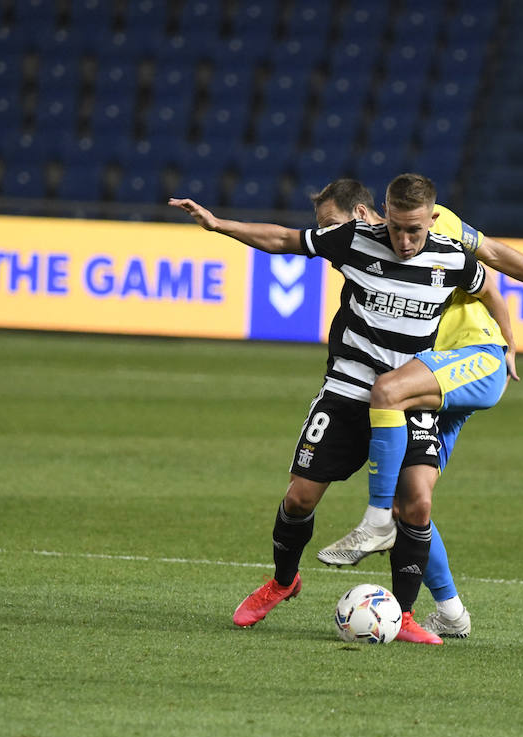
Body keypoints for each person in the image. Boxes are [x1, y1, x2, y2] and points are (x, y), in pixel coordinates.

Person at [169, 174, 488, 645]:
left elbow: (490, 289)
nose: (404, 241)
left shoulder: (454, 257)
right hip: (347, 391)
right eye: (397, 228)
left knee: (417, 503)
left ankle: (404, 614)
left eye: (414, 231)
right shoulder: (354, 239)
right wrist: (219, 225)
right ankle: (283, 582)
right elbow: (283, 239)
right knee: (299, 498)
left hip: (407, 397)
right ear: (383, 213)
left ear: (432, 218)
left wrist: (508, 345)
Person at [309, 179, 523, 638]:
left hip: (466, 361)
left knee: (388, 396)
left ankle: (374, 524)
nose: (328, 236)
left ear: (362, 213)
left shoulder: (437, 225)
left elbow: (493, 260)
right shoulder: (367, 256)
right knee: (412, 501)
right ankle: (450, 612)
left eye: (332, 225)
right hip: (431, 381)